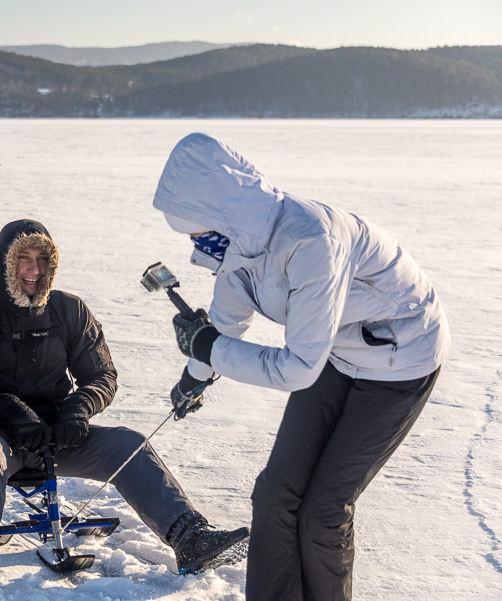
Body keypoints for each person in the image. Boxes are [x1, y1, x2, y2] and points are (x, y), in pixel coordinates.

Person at [153, 133, 451, 601]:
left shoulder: (312, 241)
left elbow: (297, 369)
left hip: (400, 358)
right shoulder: (238, 247)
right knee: (275, 496)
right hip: (337, 353)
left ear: (225, 214)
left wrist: (211, 348)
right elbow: (228, 321)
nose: (193, 241)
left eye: (195, 228)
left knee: (323, 511)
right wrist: (195, 374)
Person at [0, 219, 250, 593]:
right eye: (25, 259)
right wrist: (3, 408)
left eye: (43, 259)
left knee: (128, 444)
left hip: (57, 433)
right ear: (5, 264)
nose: (35, 270)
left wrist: (79, 407)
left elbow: (102, 376)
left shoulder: (69, 310)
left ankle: (189, 535)